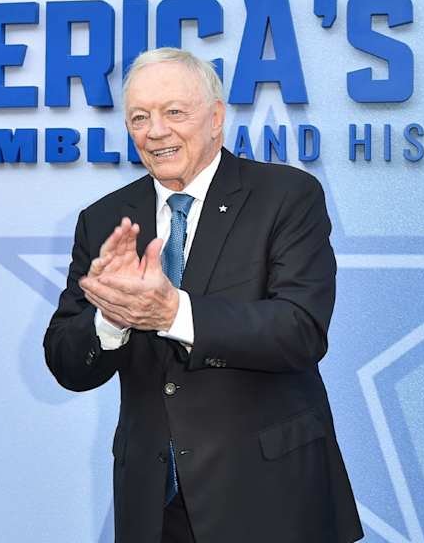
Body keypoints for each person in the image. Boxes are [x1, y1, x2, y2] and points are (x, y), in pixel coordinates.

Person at [43, 47, 363, 543]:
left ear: (216, 118)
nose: (156, 131)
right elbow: (67, 362)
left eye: (174, 112)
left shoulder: (287, 196)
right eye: (140, 117)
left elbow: (300, 330)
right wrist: (111, 320)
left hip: (271, 499)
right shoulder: (104, 219)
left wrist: (175, 313)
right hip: (154, 505)